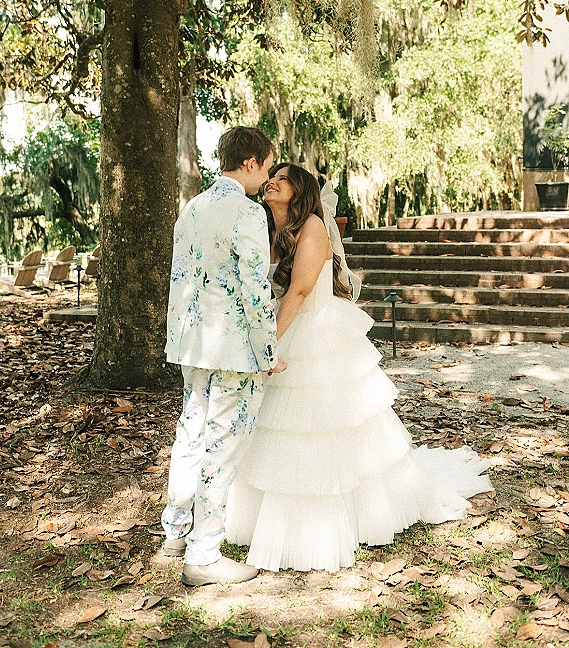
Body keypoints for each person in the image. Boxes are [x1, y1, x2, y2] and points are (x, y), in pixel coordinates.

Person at [225, 163, 493, 573]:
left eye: (283, 177)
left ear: (300, 191)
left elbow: (297, 291)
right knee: (281, 426)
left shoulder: (312, 227)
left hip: (313, 331)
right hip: (286, 325)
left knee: (322, 424)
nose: (272, 181)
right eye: (271, 174)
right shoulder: (267, 229)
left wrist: (267, 346)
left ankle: (337, 517)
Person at [161, 127, 287, 587]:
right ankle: (204, 554)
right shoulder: (248, 212)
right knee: (222, 444)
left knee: (191, 432)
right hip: (236, 349)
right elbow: (256, 287)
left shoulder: (191, 208)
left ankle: (175, 532)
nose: (268, 176)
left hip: (192, 343)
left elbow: (181, 277)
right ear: (250, 162)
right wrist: (268, 350)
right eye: (268, 166)